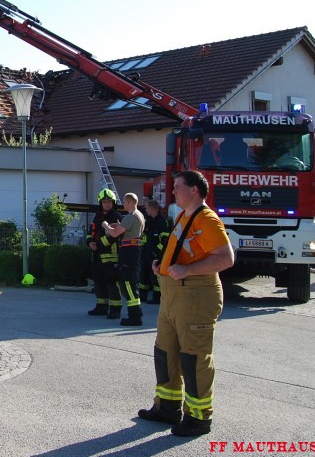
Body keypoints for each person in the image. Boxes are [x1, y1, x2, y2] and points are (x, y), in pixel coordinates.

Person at [138, 170, 234, 438]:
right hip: (174, 295)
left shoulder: (207, 219)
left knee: (194, 358)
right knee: (165, 352)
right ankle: (167, 407)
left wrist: (186, 271)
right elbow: (185, 252)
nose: (173, 191)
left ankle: (198, 418)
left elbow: (226, 258)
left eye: (178, 187)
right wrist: (162, 265)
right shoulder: (184, 216)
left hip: (195, 296)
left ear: (194, 190)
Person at [105, 192, 145, 326]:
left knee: (128, 284)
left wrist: (105, 225)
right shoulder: (139, 215)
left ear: (129, 202)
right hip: (133, 252)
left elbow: (115, 233)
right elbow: (126, 230)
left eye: (124, 201)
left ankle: (134, 316)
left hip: (128, 253)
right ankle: (136, 313)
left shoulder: (130, 216)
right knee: (131, 284)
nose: (123, 204)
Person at [86, 188, 122, 319]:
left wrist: (99, 244)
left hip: (110, 257)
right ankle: (101, 306)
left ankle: (115, 309)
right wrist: (90, 242)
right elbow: (91, 232)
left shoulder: (116, 217)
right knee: (98, 282)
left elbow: (115, 235)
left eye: (109, 201)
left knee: (112, 284)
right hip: (97, 256)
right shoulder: (98, 217)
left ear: (113, 203)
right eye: (104, 202)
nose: (107, 204)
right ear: (100, 203)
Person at [139, 199, 169, 305]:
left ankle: (157, 297)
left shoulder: (161, 222)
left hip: (156, 254)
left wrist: (158, 252)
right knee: (144, 273)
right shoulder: (148, 221)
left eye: (147, 208)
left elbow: (166, 240)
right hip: (147, 251)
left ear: (151, 209)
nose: (146, 210)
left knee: (155, 276)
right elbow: (145, 236)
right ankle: (142, 296)